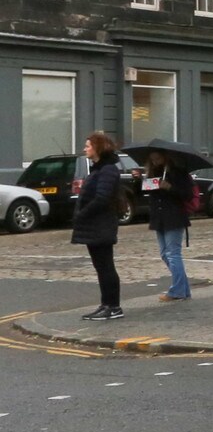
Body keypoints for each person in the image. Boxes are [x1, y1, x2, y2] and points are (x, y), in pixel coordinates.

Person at [72, 132, 126, 322]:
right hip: (95, 225)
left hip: (101, 224)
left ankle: (114, 307)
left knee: (106, 267)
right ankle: (106, 304)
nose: (85, 149)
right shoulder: (98, 169)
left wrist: (82, 214)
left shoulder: (108, 169)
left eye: (88, 146)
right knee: (101, 266)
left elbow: (102, 198)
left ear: (98, 148)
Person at [141, 147, 194, 303]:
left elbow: (187, 195)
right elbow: (148, 195)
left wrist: (169, 187)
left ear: (165, 157)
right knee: (165, 254)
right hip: (159, 218)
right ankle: (184, 289)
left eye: (158, 158)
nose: (155, 162)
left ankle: (177, 291)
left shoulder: (178, 173)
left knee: (173, 253)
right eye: (152, 159)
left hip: (174, 217)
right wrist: (140, 181)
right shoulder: (153, 173)